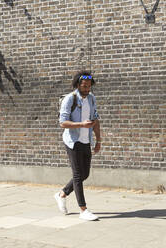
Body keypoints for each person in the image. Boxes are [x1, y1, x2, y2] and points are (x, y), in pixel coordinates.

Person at [54, 71, 101, 221]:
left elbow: (95, 120)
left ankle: (62, 193)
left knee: (85, 174)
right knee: (77, 175)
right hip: (72, 141)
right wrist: (81, 124)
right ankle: (83, 210)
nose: (87, 89)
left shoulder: (92, 99)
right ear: (77, 85)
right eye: (85, 86)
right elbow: (63, 123)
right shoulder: (70, 99)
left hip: (86, 140)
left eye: (89, 86)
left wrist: (98, 140)